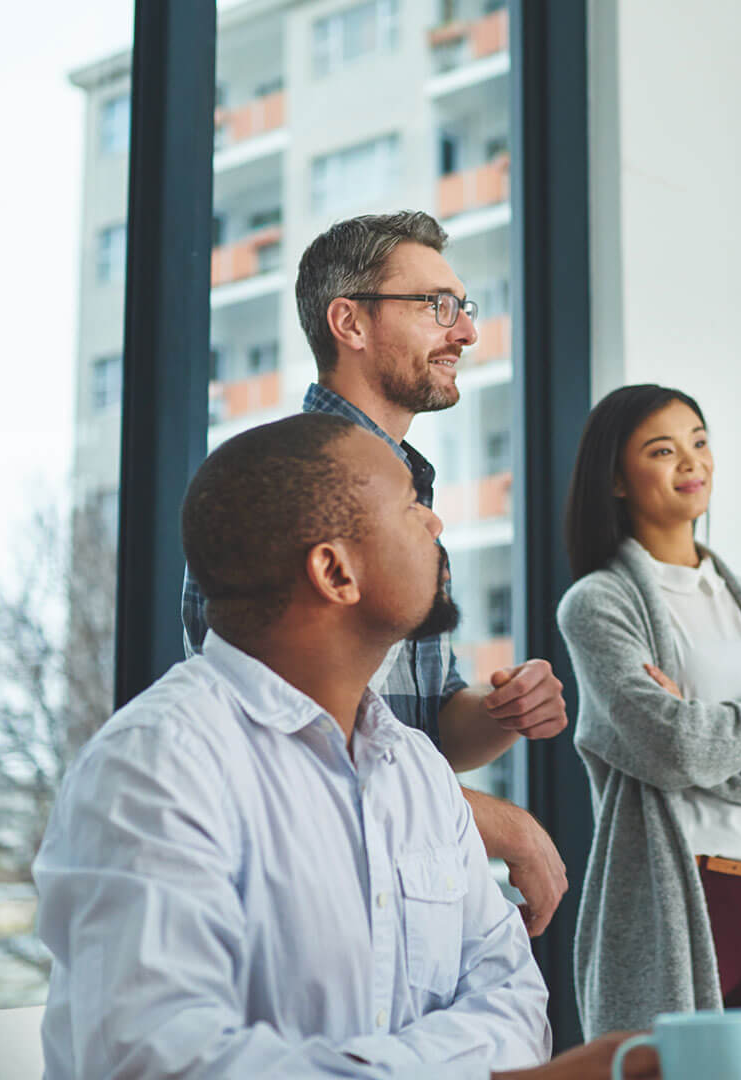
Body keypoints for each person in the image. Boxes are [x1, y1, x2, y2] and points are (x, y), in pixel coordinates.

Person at [37, 413, 656, 1080]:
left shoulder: (415, 768)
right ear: (335, 572)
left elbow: (515, 1002)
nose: (435, 524)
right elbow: (166, 1064)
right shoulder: (155, 767)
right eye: (410, 506)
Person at [182, 210, 571, 937]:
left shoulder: (413, 500)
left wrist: (498, 714)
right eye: (437, 307)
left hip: (407, 889)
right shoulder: (275, 489)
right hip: (313, 906)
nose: (466, 332)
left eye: (465, 308)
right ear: (350, 324)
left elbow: (426, 727)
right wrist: (498, 824)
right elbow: (289, 750)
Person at [557, 385, 741, 1037]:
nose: (692, 462)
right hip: (686, 894)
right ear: (614, 479)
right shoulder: (598, 605)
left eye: (699, 441)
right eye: (663, 450)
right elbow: (677, 749)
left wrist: (707, 733)